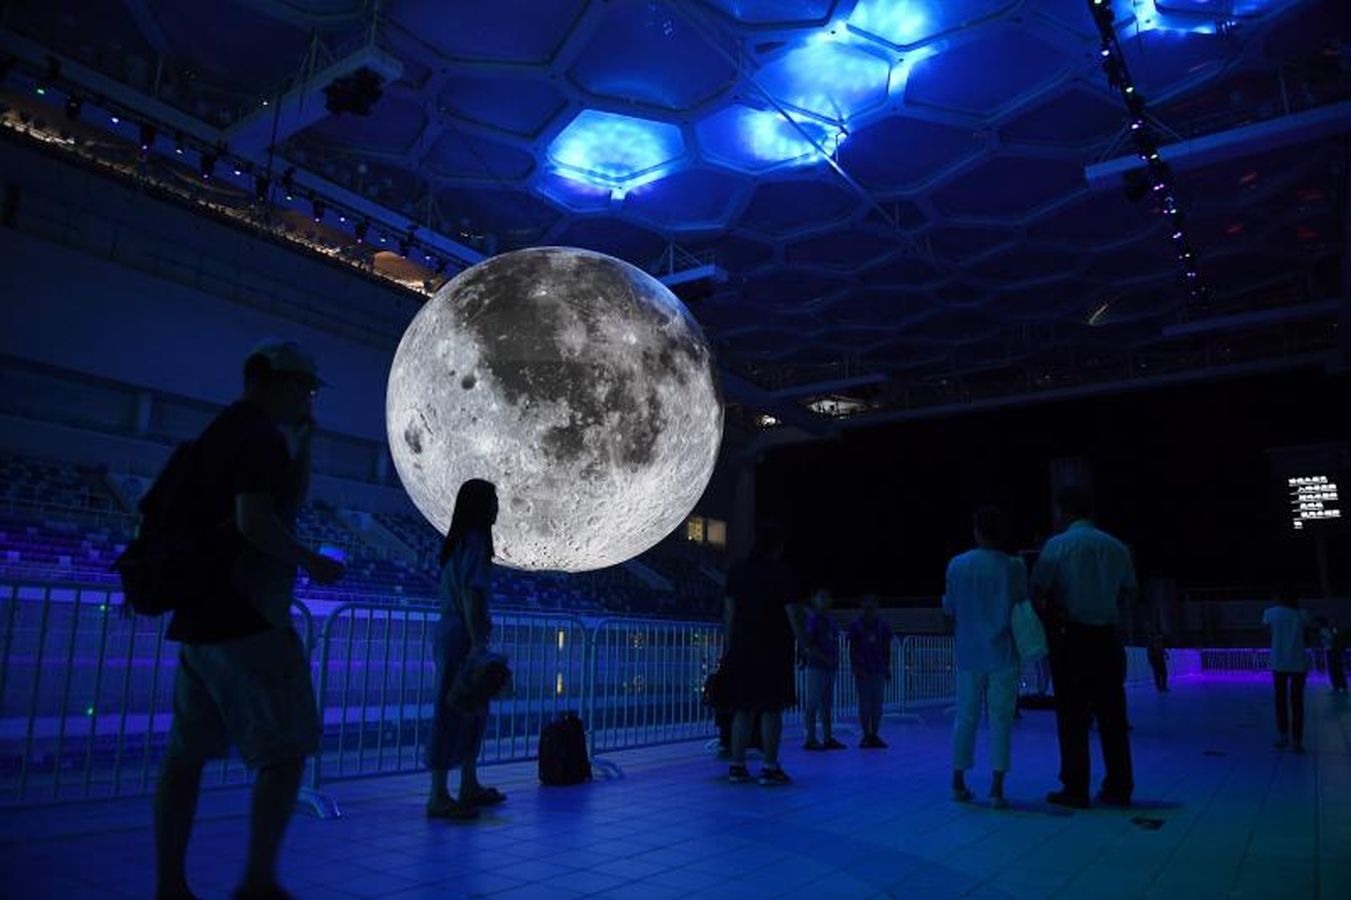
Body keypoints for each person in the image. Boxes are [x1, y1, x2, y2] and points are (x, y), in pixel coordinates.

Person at [155, 340, 344, 900]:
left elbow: (280, 505)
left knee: (184, 760)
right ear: (271, 381)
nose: (308, 398)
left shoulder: (219, 434)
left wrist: (303, 447)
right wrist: (311, 562)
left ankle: (170, 885)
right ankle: (258, 881)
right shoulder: (259, 437)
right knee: (286, 754)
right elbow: (257, 523)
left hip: (199, 621)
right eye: (303, 387)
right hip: (249, 620)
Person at [1032, 486, 1138, 810]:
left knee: (1072, 717)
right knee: (1112, 716)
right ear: (1091, 511)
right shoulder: (1117, 547)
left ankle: (1075, 787)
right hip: (1107, 638)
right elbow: (1130, 591)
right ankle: (1119, 786)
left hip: (1071, 638)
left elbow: (1038, 591)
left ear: (1062, 512)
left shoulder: (1057, 546)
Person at [426, 479, 504, 819]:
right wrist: (477, 644)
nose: (498, 507)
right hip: (462, 634)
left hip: (454, 630)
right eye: (494, 500)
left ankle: (467, 784)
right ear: (482, 506)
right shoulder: (474, 543)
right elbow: (472, 596)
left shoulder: (458, 542)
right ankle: (439, 794)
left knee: (471, 710)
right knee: (455, 709)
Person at [943, 506, 1024, 809]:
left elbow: (949, 609)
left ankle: (957, 781)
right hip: (1003, 650)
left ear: (976, 531)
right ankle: (996, 789)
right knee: (1000, 718)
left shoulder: (957, 564)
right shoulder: (1013, 566)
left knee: (966, 717)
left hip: (968, 651)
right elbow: (1021, 605)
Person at [722, 522, 809, 786]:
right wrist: (803, 644)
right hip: (773, 649)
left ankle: (737, 766)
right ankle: (770, 767)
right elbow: (792, 612)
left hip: (742, 649)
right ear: (778, 547)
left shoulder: (737, 571)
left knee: (742, 709)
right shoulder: (781, 573)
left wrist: (730, 647)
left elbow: (729, 612)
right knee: (772, 708)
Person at [1263, 592, 1312, 751]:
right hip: (1298, 662)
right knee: (1297, 702)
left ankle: (1283, 736)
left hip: (1278, 662)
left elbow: (1267, 634)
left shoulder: (1270, 613)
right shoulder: (1301, 614)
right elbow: (1307, 635)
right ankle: (1297, 740)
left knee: (1280, 701)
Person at [802, 589, 845, 751]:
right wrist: (822, 657)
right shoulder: (813, 620)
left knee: (827, 705)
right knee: (812, 704)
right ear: (814, 600)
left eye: (828, 597)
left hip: (830, 667)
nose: (826, 600)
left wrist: (835, 659)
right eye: (822, 597)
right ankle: (810, 738)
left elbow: (833, 640)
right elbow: (809, 642)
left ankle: (827, 737)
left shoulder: (831, 620)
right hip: (817, 667)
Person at [848, 594, 893, 749]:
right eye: (867, 600)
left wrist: (887, 667)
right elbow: (852, 648)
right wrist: (855, 666)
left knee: (877, 705)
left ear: (877, 603)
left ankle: (874, 735)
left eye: (873, 601)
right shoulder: (856, 625)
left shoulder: (883, 626)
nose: (870, 604)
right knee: (864, 704)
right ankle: (866, 735)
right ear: (862, 603)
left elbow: (887, 648)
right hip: (863, 670)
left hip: (878, 670)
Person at [1317, 618, 1348, 694]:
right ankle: (1337, 686)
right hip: (1330, 650)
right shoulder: (1325, 630)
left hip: (1332, 650)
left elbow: (1332, 638)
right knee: (1333, 669)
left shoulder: (1327, 630)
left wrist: (1324, 637)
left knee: (1336, 669)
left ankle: (1341, 686)